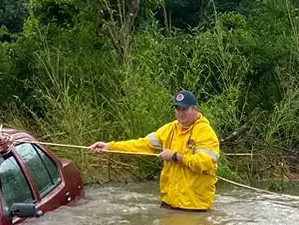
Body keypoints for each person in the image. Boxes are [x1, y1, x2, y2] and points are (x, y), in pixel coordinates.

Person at [90, 89, 221, 210]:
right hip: (169, 203)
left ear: (195, 109)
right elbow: (142, 144)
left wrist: (175, 157)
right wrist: (110, 146)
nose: (180, 113)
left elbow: (205, 162)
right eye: (177, 108)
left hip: (194, 207)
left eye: (184, 109)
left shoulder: (205, 132)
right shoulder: (169, 129)